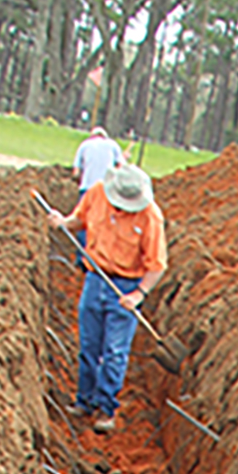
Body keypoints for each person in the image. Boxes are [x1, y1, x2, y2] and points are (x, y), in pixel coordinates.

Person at [47, 164, 166, 434]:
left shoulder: (151, 217)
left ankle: (106, 408)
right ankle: (84, 401)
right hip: (95, 279)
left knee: (114, 352)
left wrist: (139, 294)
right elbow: (79, 220)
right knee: (89, 345)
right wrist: (62, 222)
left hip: (126, 287)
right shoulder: (96, 194)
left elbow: (157, 265)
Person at [71, 126, 124, 268]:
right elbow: (121, 168)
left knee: (83, 222)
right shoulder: (113, 146)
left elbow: (76, 172)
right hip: (107, 190)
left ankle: (82, 259)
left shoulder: (84, 145)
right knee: (104, 224)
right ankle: (101, 259)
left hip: (87, 188)